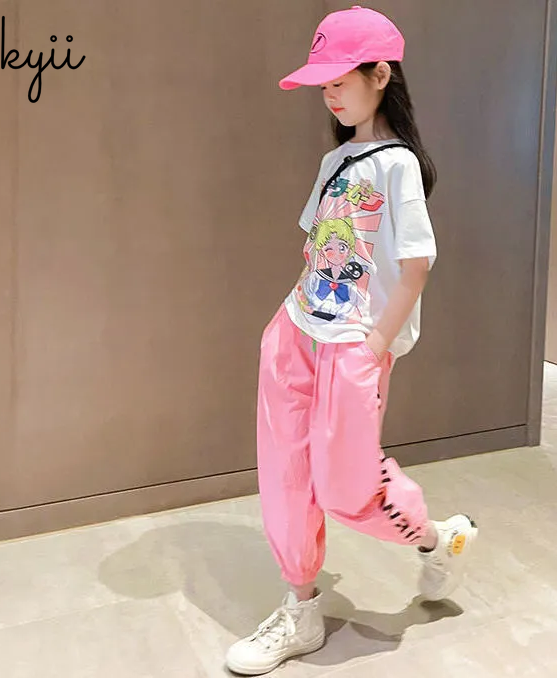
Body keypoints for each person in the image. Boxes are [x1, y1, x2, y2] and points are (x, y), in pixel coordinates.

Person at [226, 6, 478, 675]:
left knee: (347, 487)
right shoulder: (336, 160)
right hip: (296, 333)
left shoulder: (397, 165)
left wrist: (374, 346)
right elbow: (318, 248)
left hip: (353, 348)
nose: (330, 93)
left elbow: (418, 265)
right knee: (286, 476)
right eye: (324, 83)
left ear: (380, 75)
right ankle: (300, 608)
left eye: (340, 79)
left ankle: (437, 539)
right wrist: (284, 328)